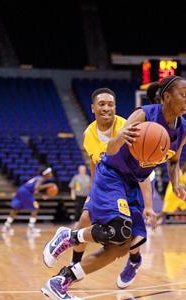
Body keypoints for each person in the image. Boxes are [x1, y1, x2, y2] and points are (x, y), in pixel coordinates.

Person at [41, 75, 186, 300]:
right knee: (119, 227)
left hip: (132, 184)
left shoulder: (183, 130)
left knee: (123, 245)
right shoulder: (144, 115)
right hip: (112, 175)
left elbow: (172, 161)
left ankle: (60, 282)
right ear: (167, 97)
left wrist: (177, 183)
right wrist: (120, 136)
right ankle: (70, 236)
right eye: (184, 95)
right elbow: (111, 150)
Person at [69, 87, 146, 289]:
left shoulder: (128, 128)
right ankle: (75, 266)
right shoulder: (89, 134)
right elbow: (95, 162)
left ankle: (134, 261)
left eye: (110, 104)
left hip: (128, 187)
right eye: (102, 104)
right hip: (106, 187)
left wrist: (149, 204)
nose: (106, 108)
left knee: (129, 239)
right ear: (93, 108)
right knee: (84, 221)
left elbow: (145, 169)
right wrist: (93, 192)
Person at [1, 167, 54, 234]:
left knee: (16, 209)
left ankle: (6, 226)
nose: (51, 174)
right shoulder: (41, 178)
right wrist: (49, 185)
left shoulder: (37, 178)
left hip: (21, 190)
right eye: (50, 173)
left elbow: (35, 190)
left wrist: (42, 196)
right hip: (26, 192)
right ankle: (31, 228)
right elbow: (36, 187)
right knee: (36, 208)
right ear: (46, 174)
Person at [157, 161, 186, 226]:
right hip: (172, 194)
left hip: (180, 195)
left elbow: (183, 188)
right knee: (164, 212)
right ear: (183, 166)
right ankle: (152, 220)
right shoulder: (177, 172)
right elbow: (177, 184)